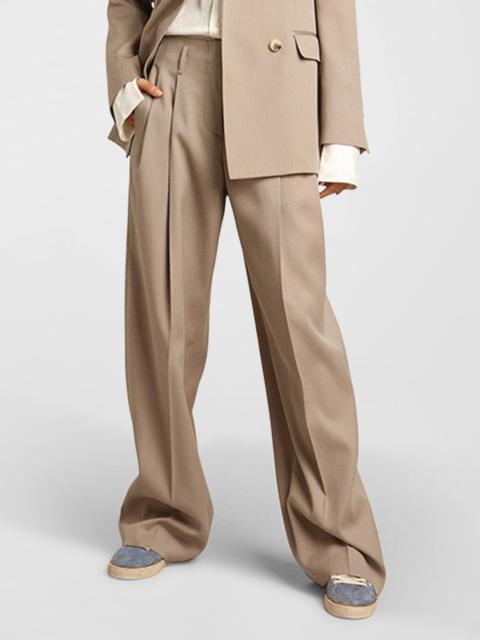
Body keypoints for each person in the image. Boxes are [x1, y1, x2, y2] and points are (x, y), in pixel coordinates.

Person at [105, 0, 386, 620]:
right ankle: (163, 514)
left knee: (300, 323)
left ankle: (341, 538)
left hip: (280, 80)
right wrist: (124, 82)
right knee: (162, 313)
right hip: (172, 81)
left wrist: (341, 131)